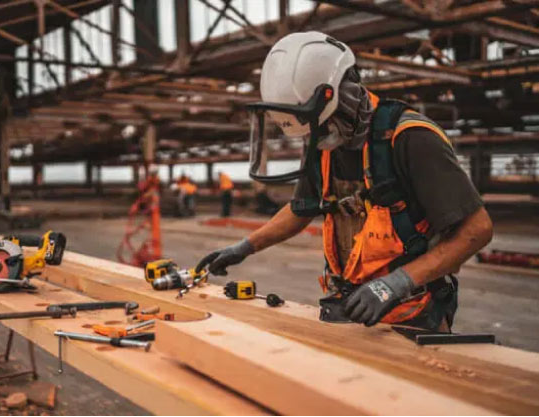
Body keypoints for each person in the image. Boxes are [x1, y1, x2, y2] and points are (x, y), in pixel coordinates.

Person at [196, 32, 493, 332]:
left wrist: (396, 283)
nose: (314, 137)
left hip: (412, 315)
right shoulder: (323, 142)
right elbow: (301, 209)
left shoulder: (410, 138)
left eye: (320, 126)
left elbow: (477, 230)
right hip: (349, 308)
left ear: (344, 98)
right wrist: (245, 247)